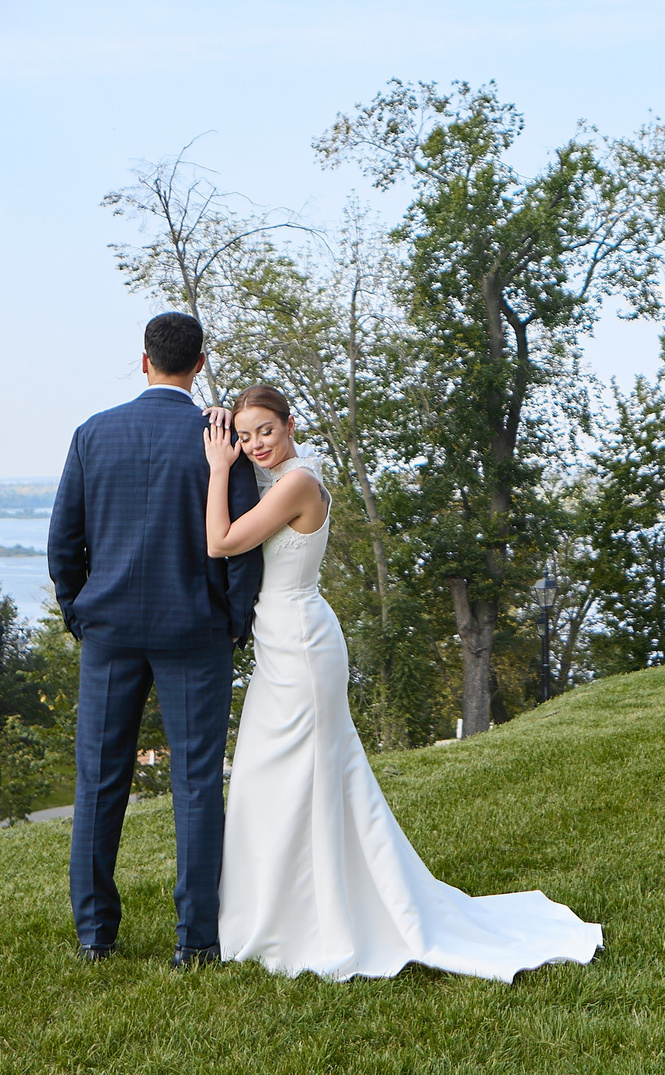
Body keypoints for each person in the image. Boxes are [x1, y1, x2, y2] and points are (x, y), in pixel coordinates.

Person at [207, 383, 604, 981]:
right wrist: (229, 459)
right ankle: (282, 908)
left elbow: (222, 541)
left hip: (303, 647)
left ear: (291, 425)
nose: (254, 443)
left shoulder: (298, 482)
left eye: (265, 429)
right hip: (277, 644)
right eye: (243, 435)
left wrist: (217, 468)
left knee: (300, 777)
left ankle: (317, 919)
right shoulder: (266, 477)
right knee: (271, 779)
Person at [46, 312, 262, 967]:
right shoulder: (217, 438)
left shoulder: (92, 434)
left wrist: (79, 610)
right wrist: (233, 620)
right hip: (195, 630)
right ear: (199, 364)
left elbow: (64, 542)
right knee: (196, 781)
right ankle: (194, 938)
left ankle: (95, 934)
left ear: (144, 360)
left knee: (99, 779)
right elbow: (243, 548)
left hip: (109, 631)